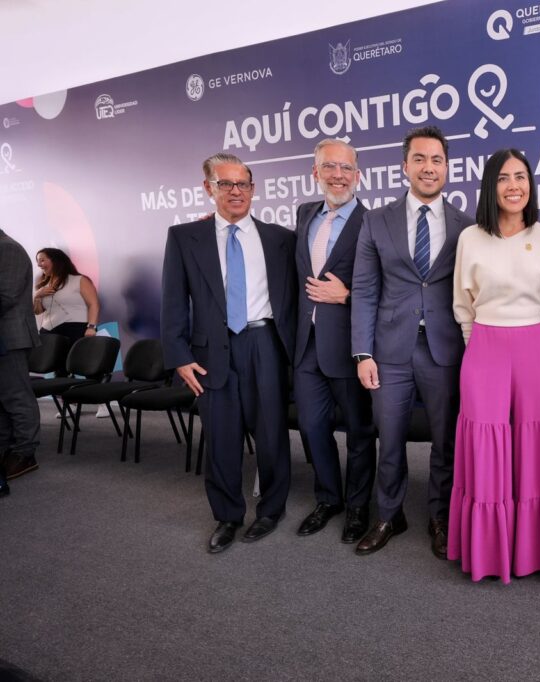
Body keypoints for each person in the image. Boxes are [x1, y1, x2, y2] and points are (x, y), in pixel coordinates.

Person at [161, 153, 297, 554]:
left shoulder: (281, 239)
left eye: (243, 184)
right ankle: (227, 516)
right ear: (209, 188)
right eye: (226, 184)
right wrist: (179, 355)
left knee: (271, 435)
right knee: (221, 438)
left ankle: (271, 510)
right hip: (210, 353)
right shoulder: (185, 237)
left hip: (265, 344)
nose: (236, 191)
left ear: (253, 189)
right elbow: (173, 301)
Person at [351, 126, 474, 558]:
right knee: (390, 438)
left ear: (447, 167)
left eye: (436, 159)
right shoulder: (376, 220)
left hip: (445, 350)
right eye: (419, 159)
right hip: (389, 352)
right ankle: (389, 515)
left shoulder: (467, 226)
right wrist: (363, 352)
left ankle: (440, 517)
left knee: (445, 441)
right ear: (405, 166)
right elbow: (365, 289)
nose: (428, 167)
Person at [448, 148, 540, 583]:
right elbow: (462, 304)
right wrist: (477, 346)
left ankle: (533, 551)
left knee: (535, 448)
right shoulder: (470, 237)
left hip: (535, 348)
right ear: (490, 186)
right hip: (483, 348)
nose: (514, 185)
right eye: (503, 177)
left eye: (521, 176)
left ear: (531, 184)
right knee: (486, 446)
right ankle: (489, 555)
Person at [292, 139, 376, 543]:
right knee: (311, 428)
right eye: (329, 167)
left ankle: (358, 506)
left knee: (359, 432)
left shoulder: (373, 222)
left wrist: (347, 296)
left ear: (357, 175)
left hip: (349, 346)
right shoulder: (304, 214)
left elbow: (388, 286)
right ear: (316, 172)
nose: (338, 175)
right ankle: (328, 499)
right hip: (306, 345)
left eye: (346, 168)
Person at [0, 228, 42, 494]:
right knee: (2, 398)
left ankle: (25, 452)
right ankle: (7, 447)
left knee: (16, 396)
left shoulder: (8, 249)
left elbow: (6, 296)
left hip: (11, 338)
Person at [33, 248, 100, 341]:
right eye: (38, 261)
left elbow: (94, 304)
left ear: (55, 260)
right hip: (48, 332)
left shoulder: (79, 280)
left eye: (42, 260)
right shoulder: (44, 286)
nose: (39, 265)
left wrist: (91, 327)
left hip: (76, 329)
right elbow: (38, 312)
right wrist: (37, 296)